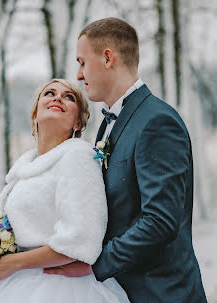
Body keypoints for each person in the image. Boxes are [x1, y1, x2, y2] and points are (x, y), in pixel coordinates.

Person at [44, 17, 207, 303]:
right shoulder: (109, 124)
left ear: (108, 58)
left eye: (82, 62)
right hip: (121, 292)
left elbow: (159, 221)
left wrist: (95, 265)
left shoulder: (156, 122)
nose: (79, 75)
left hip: (160, 293)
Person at [0, 79, 130, 303]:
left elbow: (79, 242)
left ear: (78, 122)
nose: (58, 97)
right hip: (14, 284)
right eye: (49, 93)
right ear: (34, 116)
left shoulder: (78, 156)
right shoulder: (23, 167)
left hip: (61, 288)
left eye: (69, 97)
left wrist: (12, 263)